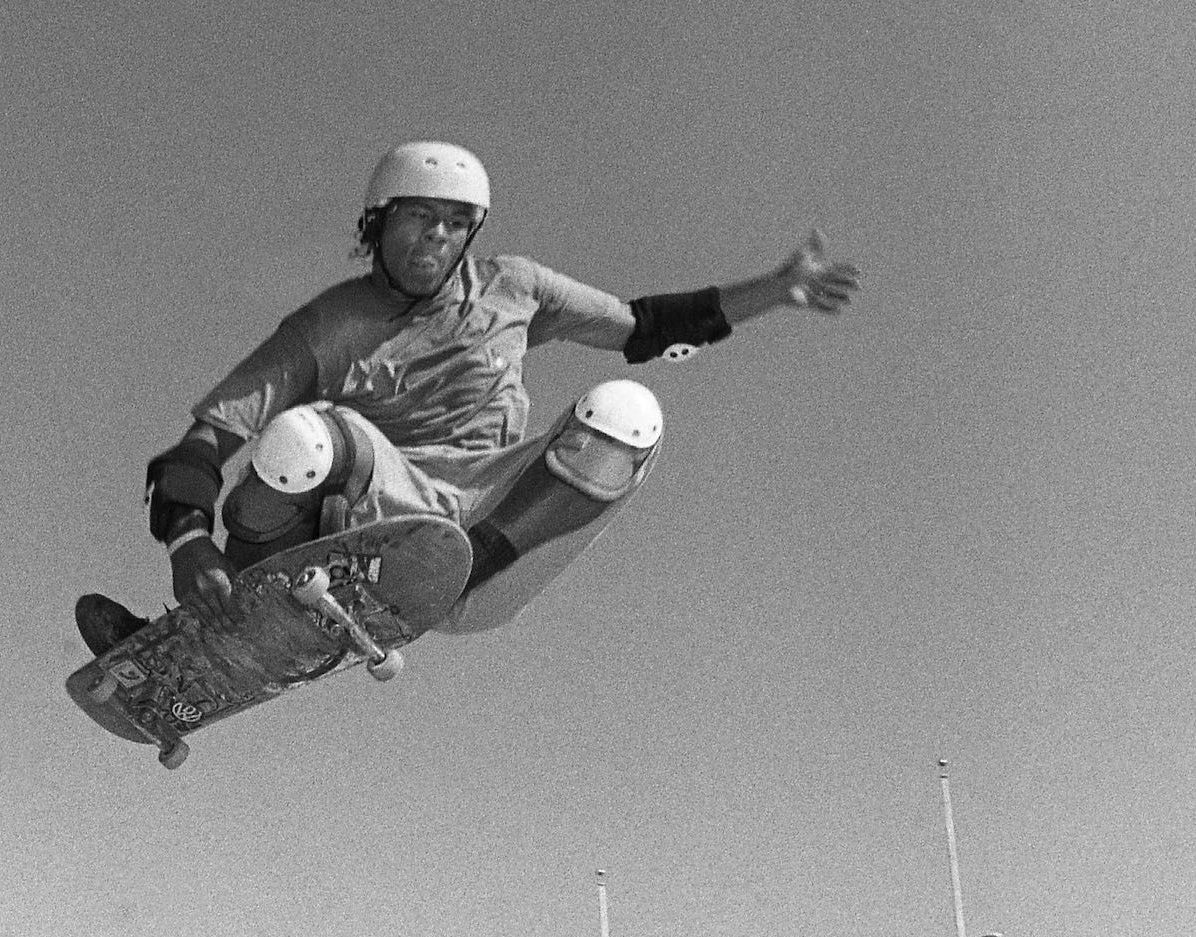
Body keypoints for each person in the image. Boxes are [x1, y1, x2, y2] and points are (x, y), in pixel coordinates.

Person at [78, 140, 858, 655]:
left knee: (628, 410)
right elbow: (199, 447)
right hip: (386, 509)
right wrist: (190, 548)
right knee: (303, 436)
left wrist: (775, 290)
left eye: (456, 225)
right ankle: (224, 621)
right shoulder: (328, 324)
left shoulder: (515, 288)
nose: (437, 240)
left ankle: (453, 570)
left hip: (498, 524)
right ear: (377, 224)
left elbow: (643, 328)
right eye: (419, 219)